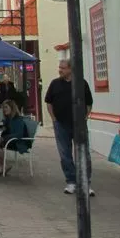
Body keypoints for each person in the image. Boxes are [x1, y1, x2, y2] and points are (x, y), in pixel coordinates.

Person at [44, 58, 95, 196]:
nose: (60, 70)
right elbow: (49, 102)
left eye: (63, 68)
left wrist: (85, 117)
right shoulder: (55, 84)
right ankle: (71, 181)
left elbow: (89, 103)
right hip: (61, 124)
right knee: (65, 154)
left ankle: (85, 182)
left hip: (79, 124)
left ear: (71, 69)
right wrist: (54, 119)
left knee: (84, 153)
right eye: (59, 67)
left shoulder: (81, 83)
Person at [0, 100, 27, 174]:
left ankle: (3, 166)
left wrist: (4, 138)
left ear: (12, 108)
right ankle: (3, 166)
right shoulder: (8, 119)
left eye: (6, 107)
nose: (4, 109)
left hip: (18, 141)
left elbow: (19, 134)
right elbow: (4, 128)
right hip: (10, 139)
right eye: (3, 108)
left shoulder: (18, 119)